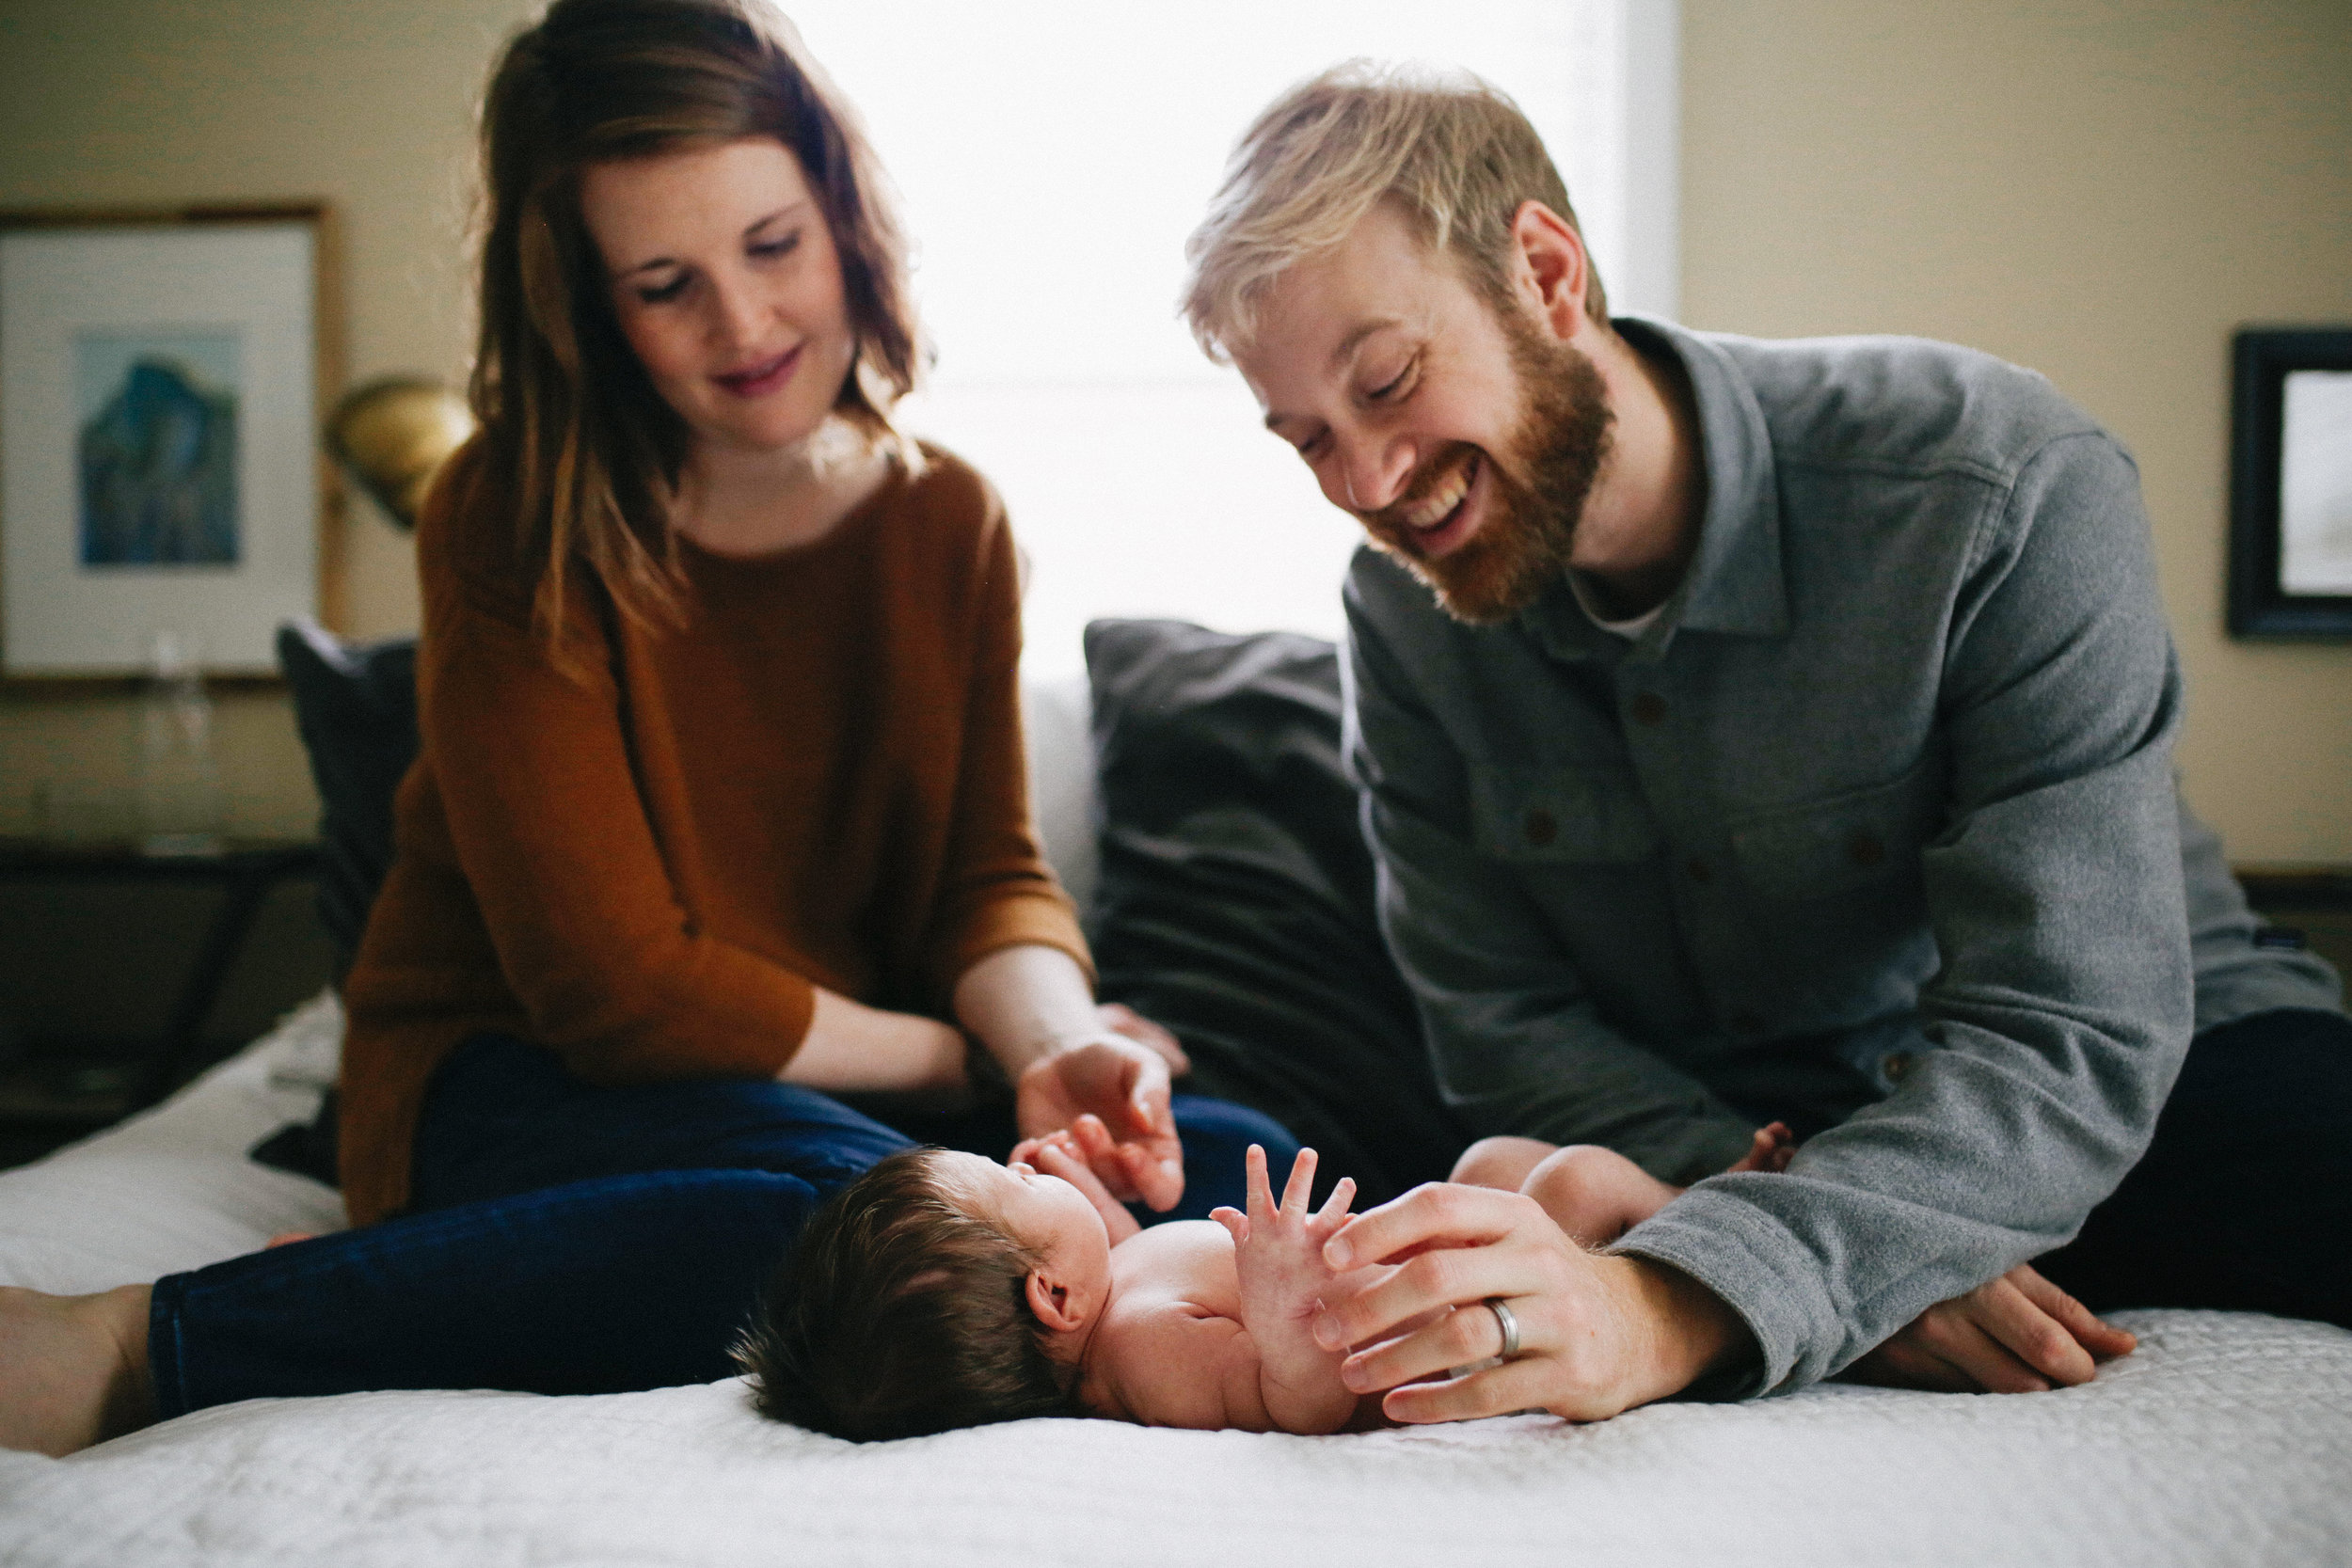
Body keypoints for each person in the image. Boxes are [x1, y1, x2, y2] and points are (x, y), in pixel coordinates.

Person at [0, 0, 1301, 1459]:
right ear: (585, 304)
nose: (742, 326)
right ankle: (143, 1341)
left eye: (770, 246)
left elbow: (983, 878)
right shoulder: (514, 514)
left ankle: (1049, 1321)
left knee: (1247, 1158)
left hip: (827, 1089)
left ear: (844, 219)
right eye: (665, 282)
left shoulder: (948, 518)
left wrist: (1057, 1042)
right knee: (844, 1224)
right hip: (518, 1072)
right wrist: (968, 1062)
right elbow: (621, 992)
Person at [1176, 62, 2350, 1426]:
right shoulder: (1403, 609)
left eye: (1386, 382)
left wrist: (1713, 1285)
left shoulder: (1996, 482)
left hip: (2139, 1075)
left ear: (1549, 276)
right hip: (1709, 1121)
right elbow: (1500, 1017)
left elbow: (2068, 1020)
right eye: (1308, 438)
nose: (1366, 484)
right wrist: (1779, 1222)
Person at [739, 1117, 1803, 1440]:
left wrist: (1090, 1204)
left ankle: (1697, 1214)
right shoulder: (1147, 1349)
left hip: (1426, 1269)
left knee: (1491, 1167)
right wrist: (1290, 1311)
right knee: (1567, 1179)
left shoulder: (1111, 1294)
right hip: (1454, 1318)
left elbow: (1135, 1251)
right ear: (1049, 1298)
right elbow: (1287, 1398)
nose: (1018, 1157)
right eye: (1005, 1177)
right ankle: (1714, 1214)